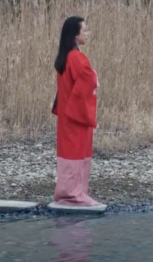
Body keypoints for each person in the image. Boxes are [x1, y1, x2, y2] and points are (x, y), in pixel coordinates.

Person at [51, 16, 101, 207]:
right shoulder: (77, 57)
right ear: (74, 35)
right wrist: (95, 77)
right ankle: (75, 194)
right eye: (84, 30)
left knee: (67, 152)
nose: (87, 33)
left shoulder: (65, 57)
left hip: (66, 114)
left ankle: (66, 193)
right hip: (75, 115)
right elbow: (88, 79)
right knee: (77, 152)